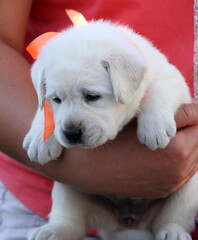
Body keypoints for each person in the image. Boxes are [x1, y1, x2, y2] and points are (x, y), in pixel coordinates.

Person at [0, 0, 198, 239]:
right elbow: (50, 101)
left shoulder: (132, 60)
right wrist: (43, 123)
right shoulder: (57, 64)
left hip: (169, 189)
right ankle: (66, 223)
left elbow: (168, 81)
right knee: (66, 190)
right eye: (57, 100)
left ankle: (173, 222)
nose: (70, 126)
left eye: (92, 96)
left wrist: (156, 109)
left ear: (125, 79)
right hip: (46, 197)